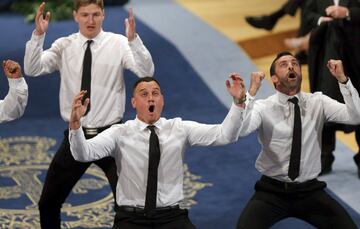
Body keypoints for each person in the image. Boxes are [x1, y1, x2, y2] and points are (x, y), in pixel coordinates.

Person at [68, 74, 261, 229]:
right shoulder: (119, 133)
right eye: (144, 94)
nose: (151, 97)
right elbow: (82, 154)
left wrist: (238, 104)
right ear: (133, 102)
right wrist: (75, 125)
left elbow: (225, 135)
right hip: (131, 219)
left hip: (172, 218)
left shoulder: (179, 128)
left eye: (155, 93)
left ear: (162, 100)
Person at [24, 1, 154, 228]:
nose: (90, 20)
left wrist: (134, 41)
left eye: (95, 14)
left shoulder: (119, 43)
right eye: (85, 15)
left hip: (113, 137)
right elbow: (32, 69)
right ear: (75, 16)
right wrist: (37, 35)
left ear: (103, 15)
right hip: (77, 136)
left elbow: (146, 72)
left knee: (130, 206)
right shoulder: (63, 45)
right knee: (47, 204)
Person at [236, 51, 360, 228]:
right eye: (283, 64)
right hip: (272, 192)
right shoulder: (263, 107)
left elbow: (356, 117)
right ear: (275, 79)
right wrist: (251, 93)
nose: (291, 66)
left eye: (294, 63)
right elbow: (241, 129)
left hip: (310, 191)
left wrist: (343, 80)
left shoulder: (318, 101)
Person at [303, 0, 360, 177]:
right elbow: (307, 15)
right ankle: (324, 157)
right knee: (323, 104)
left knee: (358, 103)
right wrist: (320, 20)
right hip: (324, 52)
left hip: (355, 54)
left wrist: (348, 13)